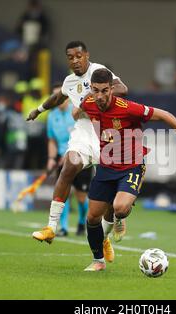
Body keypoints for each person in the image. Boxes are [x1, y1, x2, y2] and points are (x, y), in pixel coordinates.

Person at [80, 68, 176, 271]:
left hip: (132, 165)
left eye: (104, 90)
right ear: (91, 90)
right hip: (106, 166)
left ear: (112, 89)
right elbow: (80, 109)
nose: (100, 96)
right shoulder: (89, 103)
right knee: (93, 217)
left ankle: (119, 218)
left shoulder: (128, 108)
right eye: (96, 91)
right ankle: (98, 261)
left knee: (120, 206)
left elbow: (165, 115)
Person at [28, 41, 128, 254]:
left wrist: (91, 97)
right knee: (69, 165)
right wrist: (38, 110)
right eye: (70, 57)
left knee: (110, 196)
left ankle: (108, 232)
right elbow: (58, 97)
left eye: (78, 56)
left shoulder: (98, 71)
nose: (75, 60)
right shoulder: (70, 81)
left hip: (104, 132)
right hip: (83, 131)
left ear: (87, 55)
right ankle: (51, 226)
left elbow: (122, 88)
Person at [46, 83, 92, 237]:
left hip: (81, 156)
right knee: (63, 193)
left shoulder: (76, 111)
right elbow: (52, 139)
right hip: (61, 159)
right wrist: (52, 158)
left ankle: (81, 222)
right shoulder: (52, 116)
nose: (58, 99)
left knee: (81, 196)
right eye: (54, 97)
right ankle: (63, 227)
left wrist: (69, 153)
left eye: (60, 96)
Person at [0, 93, 27, 170]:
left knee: (19, 164)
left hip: (21, 145)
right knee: (9, 162)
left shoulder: (25, 114)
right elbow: (2, 127)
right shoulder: (9, 114)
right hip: (10, 143)